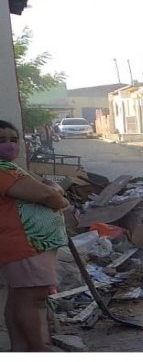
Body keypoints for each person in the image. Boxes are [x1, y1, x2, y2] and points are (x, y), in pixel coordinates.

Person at [0, 119, 72, 351]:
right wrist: (61, 197)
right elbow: (48, 195)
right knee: (33, 297)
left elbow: (46, 186)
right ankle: (36, 349)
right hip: (26, 244)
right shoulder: (2, 171)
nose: (10, 145)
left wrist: (54, 189)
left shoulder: (9, 167)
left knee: (20, 297)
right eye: (2, 141)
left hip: (27, 244)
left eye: (14, 140)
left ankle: (20, 349)